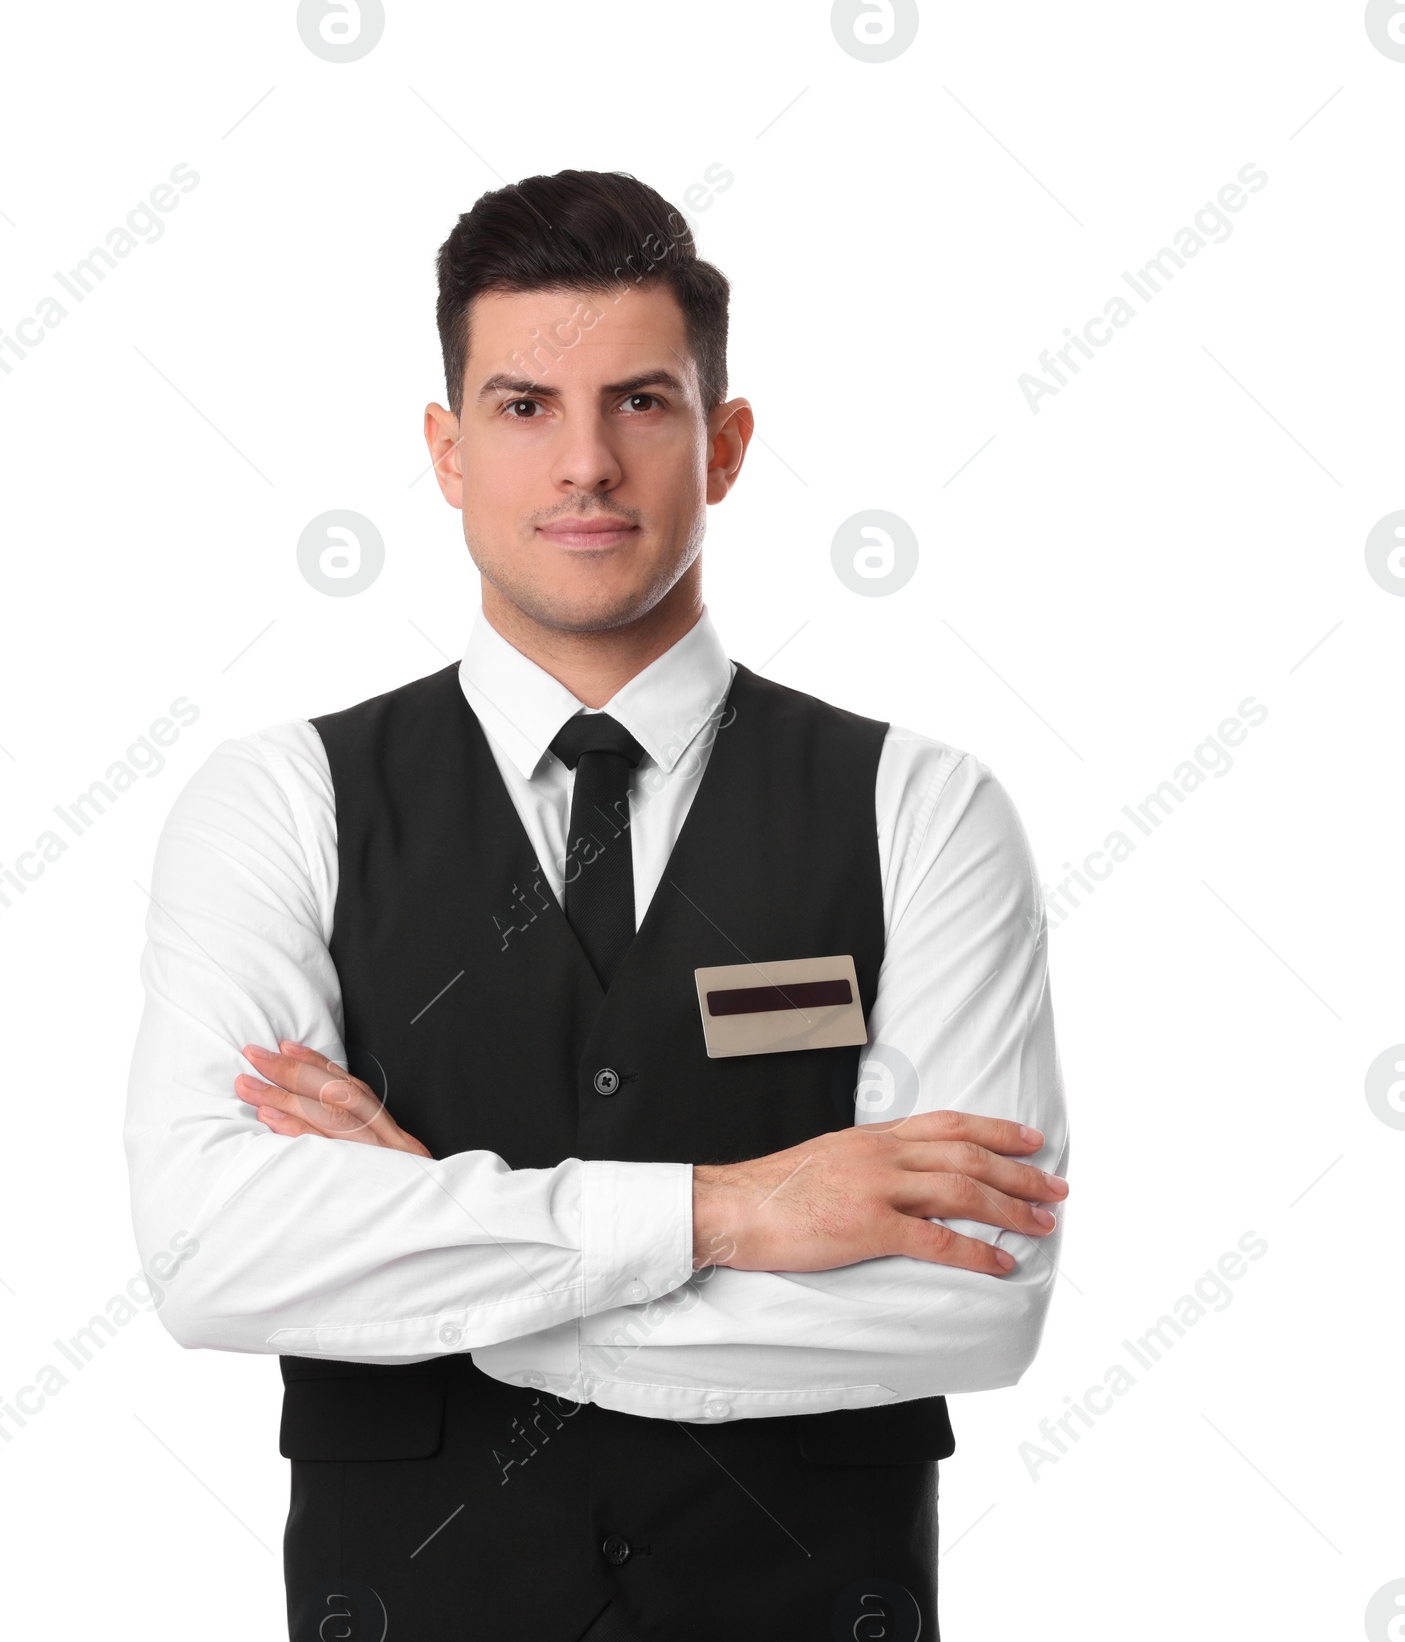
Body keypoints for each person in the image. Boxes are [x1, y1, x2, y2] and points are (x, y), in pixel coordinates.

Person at [124, 167, 1070, 1642]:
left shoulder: (924, 810)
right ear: (444, 451)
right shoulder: (276, 803)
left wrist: (438, 1270)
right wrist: (739, 1210)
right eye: (522, 408)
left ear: (727, 441)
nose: (585, 465)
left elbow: (973, 1296)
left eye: (640, 402)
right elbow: (213, 1253)